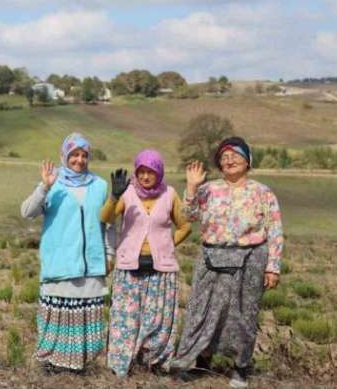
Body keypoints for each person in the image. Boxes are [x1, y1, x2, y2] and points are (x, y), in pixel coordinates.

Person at [170, 137, 284, 389]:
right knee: (204, 310)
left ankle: (240, 368)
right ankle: (201, 362)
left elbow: (275, 230)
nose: (230, 160)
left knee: (243, 314)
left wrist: (272, 266)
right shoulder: (208, 189)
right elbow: (189, 216)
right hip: (212, 258)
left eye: (236, 155)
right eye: (224, 157)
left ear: (248, 160)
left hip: (250, 260)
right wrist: (191, 188)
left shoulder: (262, 192)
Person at [20, 132, 113, 373]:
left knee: (87, 319)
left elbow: (109, 225)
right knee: (56, 318)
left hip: (91, 264)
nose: (79, 160)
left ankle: (79, 366)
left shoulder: (100, 186)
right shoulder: (53, 182)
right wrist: (44, 187)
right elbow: (27, 212)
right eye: (74, 155)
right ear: (64, 156)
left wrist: (110, 254)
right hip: (59, 263)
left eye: (84, 155)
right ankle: (52, 364)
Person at [101, 150, 191, 377]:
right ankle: (120, 367)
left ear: (159, 172)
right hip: (129, 268)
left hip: (161, 269)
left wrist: (167, 245)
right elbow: (104, 218)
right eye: (140, 171)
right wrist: (114, 197)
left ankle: (154, 364)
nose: (145, 176)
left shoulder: (169, 194)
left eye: (150, 171)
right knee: (125, 320)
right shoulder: (127, 193)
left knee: (158, 320)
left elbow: (185, 226)